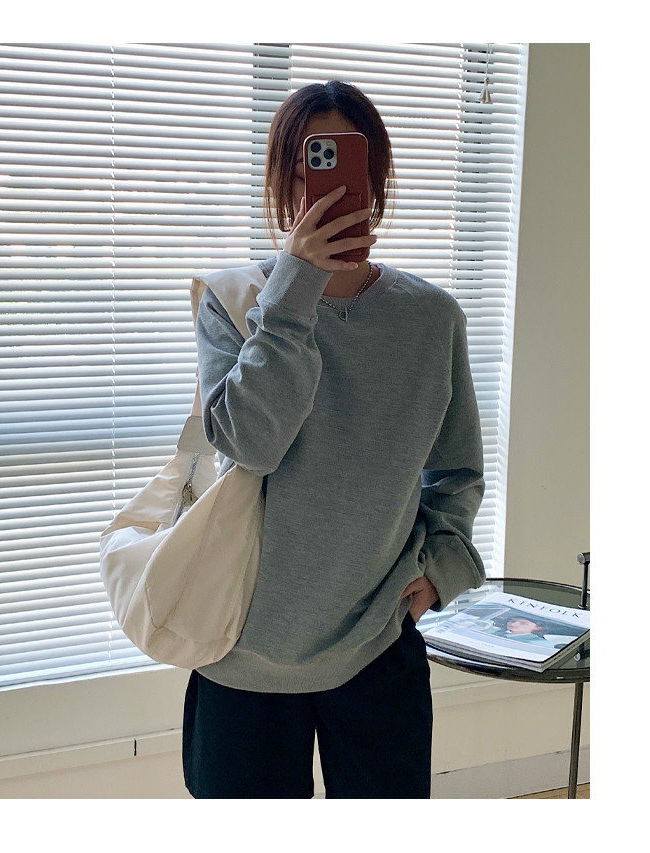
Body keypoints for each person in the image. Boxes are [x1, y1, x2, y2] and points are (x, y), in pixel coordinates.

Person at [182, 80, 486, 799]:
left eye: (340, 164)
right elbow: (251, 446)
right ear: (277, 176)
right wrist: (294, 291)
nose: (314, 187)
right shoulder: (233, 303)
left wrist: (441, 569)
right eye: (301, 166)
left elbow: (457, 470)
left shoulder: (431, 319)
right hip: (241, 649)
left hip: (377, 642)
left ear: (375, 176)